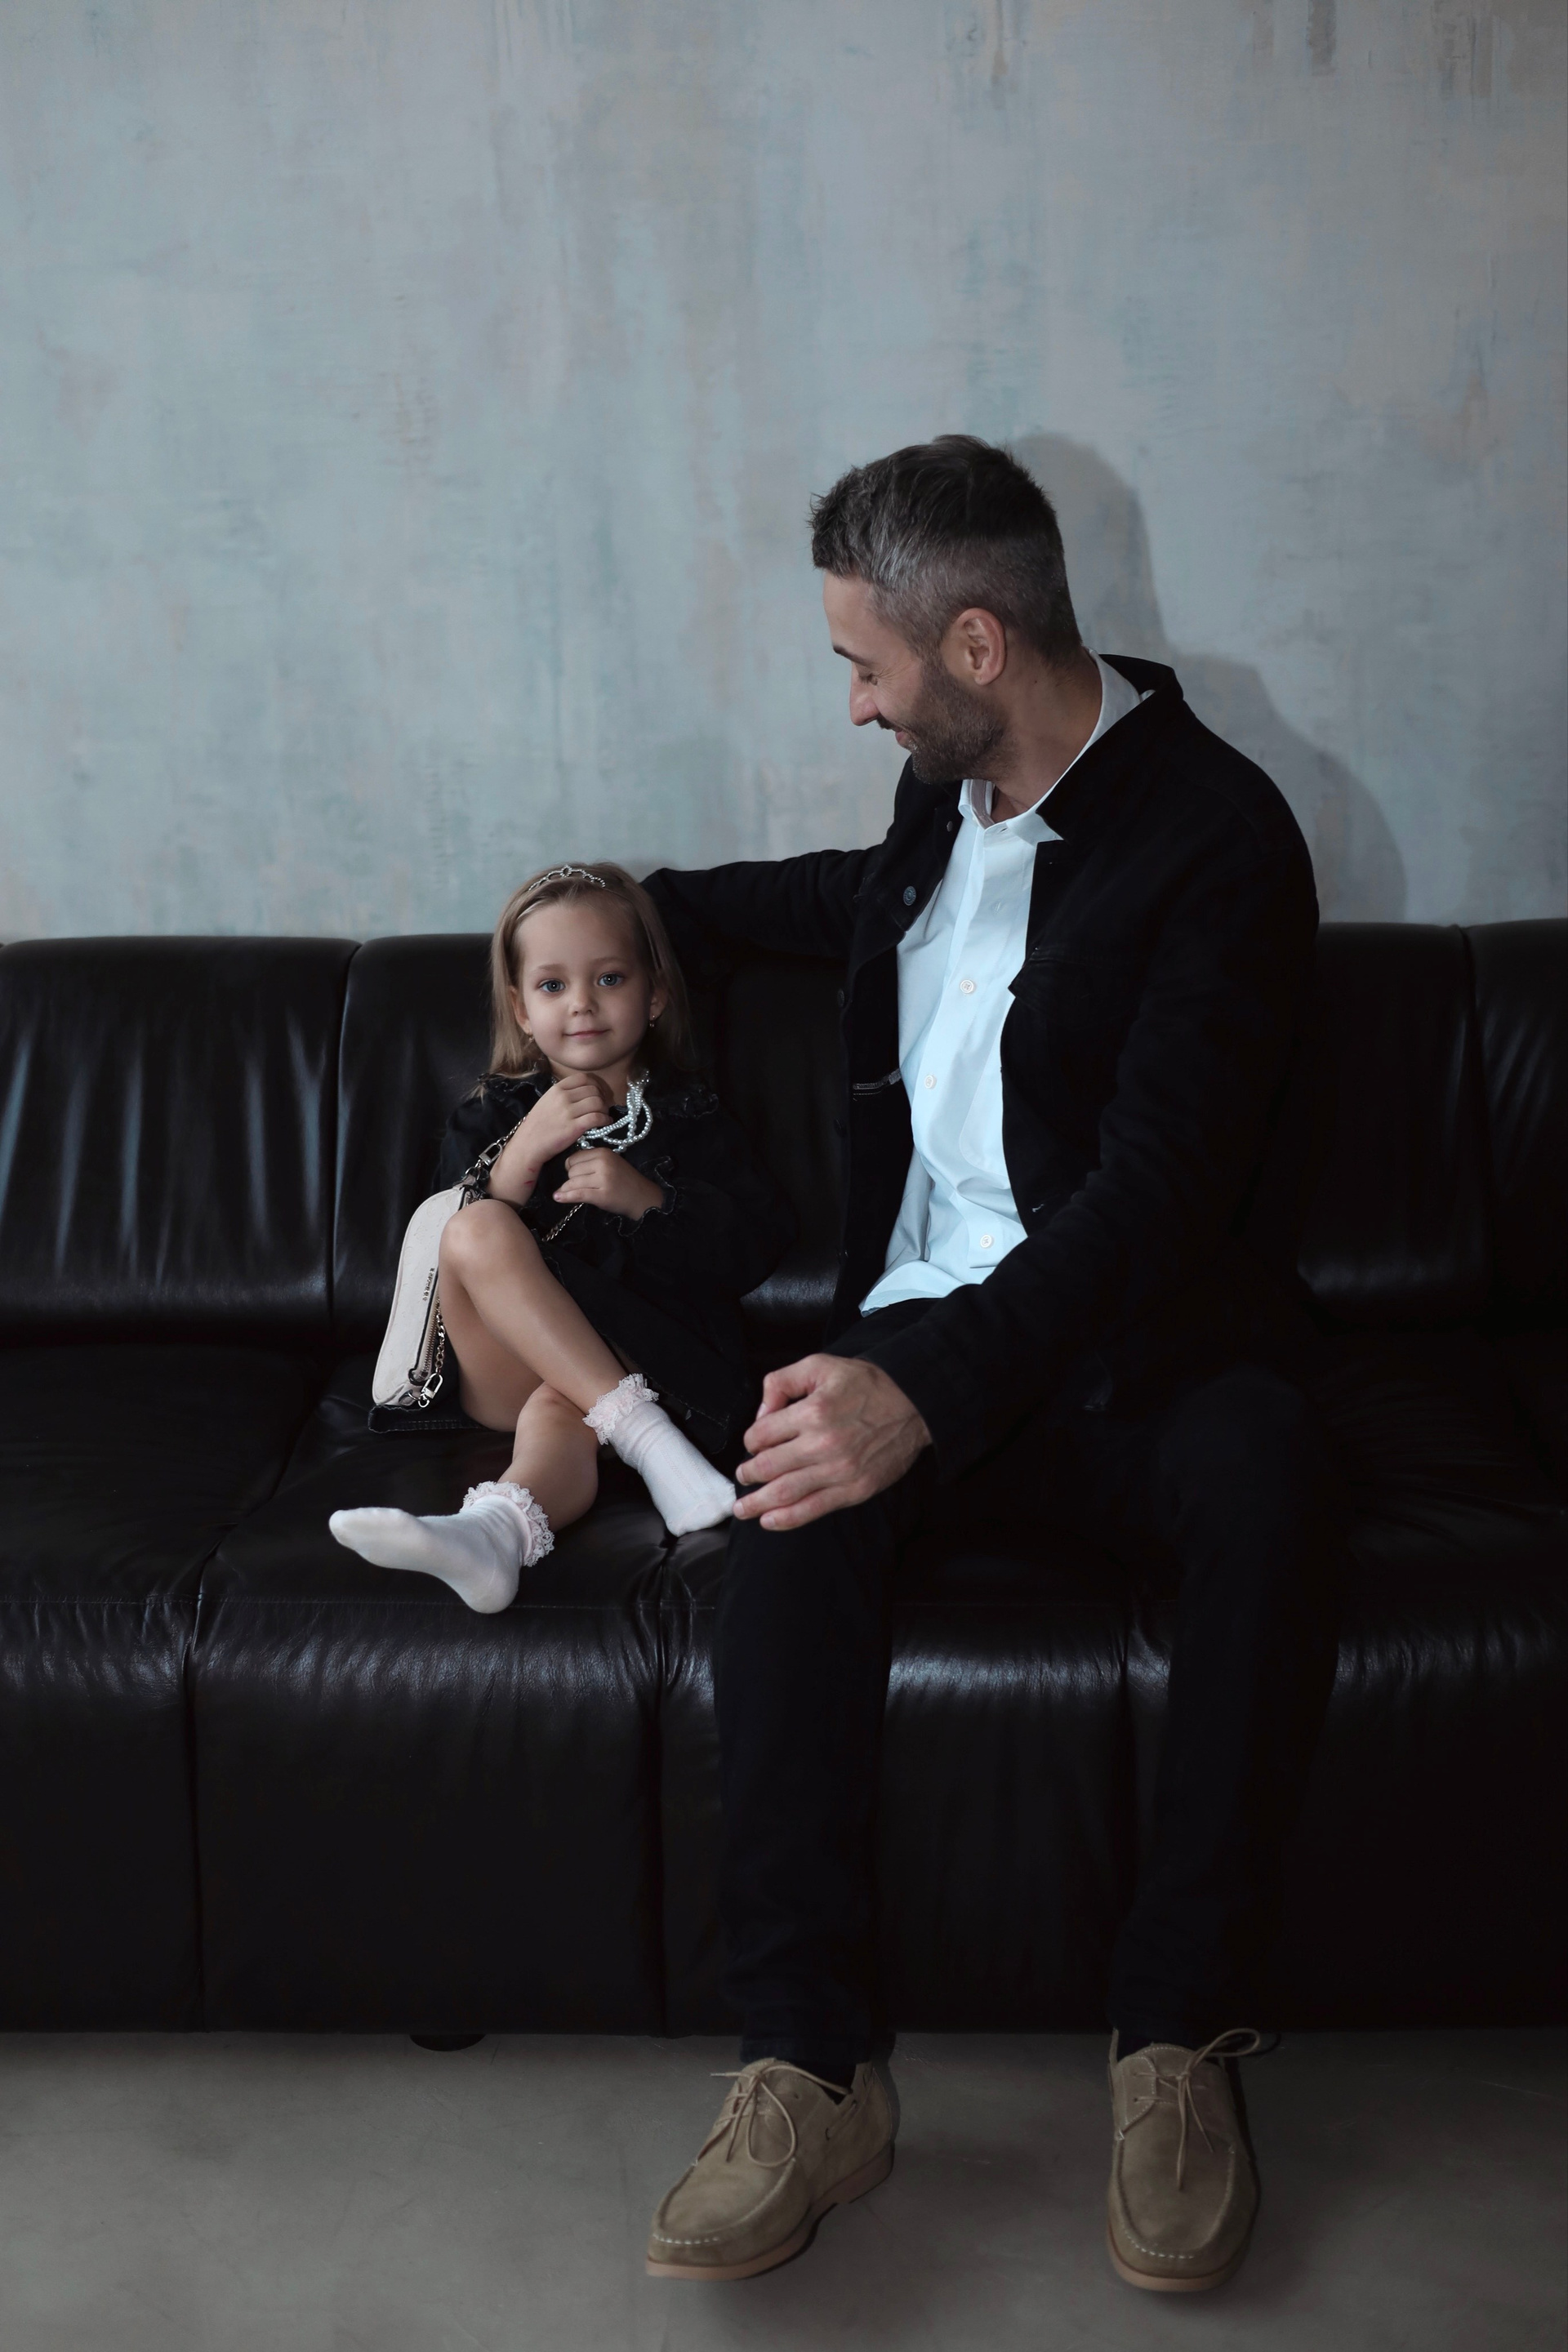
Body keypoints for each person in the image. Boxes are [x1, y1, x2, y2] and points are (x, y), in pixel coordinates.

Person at [639, 438, 1345, 2292]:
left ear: (974, 643)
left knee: (1272, 1478)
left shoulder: (1219, 841)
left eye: (862, 664)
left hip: (1140, 1354)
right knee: (782, 1500)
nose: (854, 703)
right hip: (924, 1326)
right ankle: (809, 2069)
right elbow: (850, 909)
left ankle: (1174, 2039)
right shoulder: (940, 804)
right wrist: (633, 912)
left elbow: (1157, 1201)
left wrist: (931, 1385)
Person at [330, 862, 794, 1612]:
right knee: (476, 1224)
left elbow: (754, 1245)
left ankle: (492, 1535)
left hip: (643, 1351)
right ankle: (650, 1441)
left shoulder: (692, 1116)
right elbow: (441, 1244)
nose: (581, 1003)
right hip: (502, 1367)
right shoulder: (492, 1114)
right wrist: (520, 1156)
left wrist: (648, 1199)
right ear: (520, 1008)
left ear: (655, 994)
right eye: (552, 985)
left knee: (561, 1407)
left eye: (609, 978)